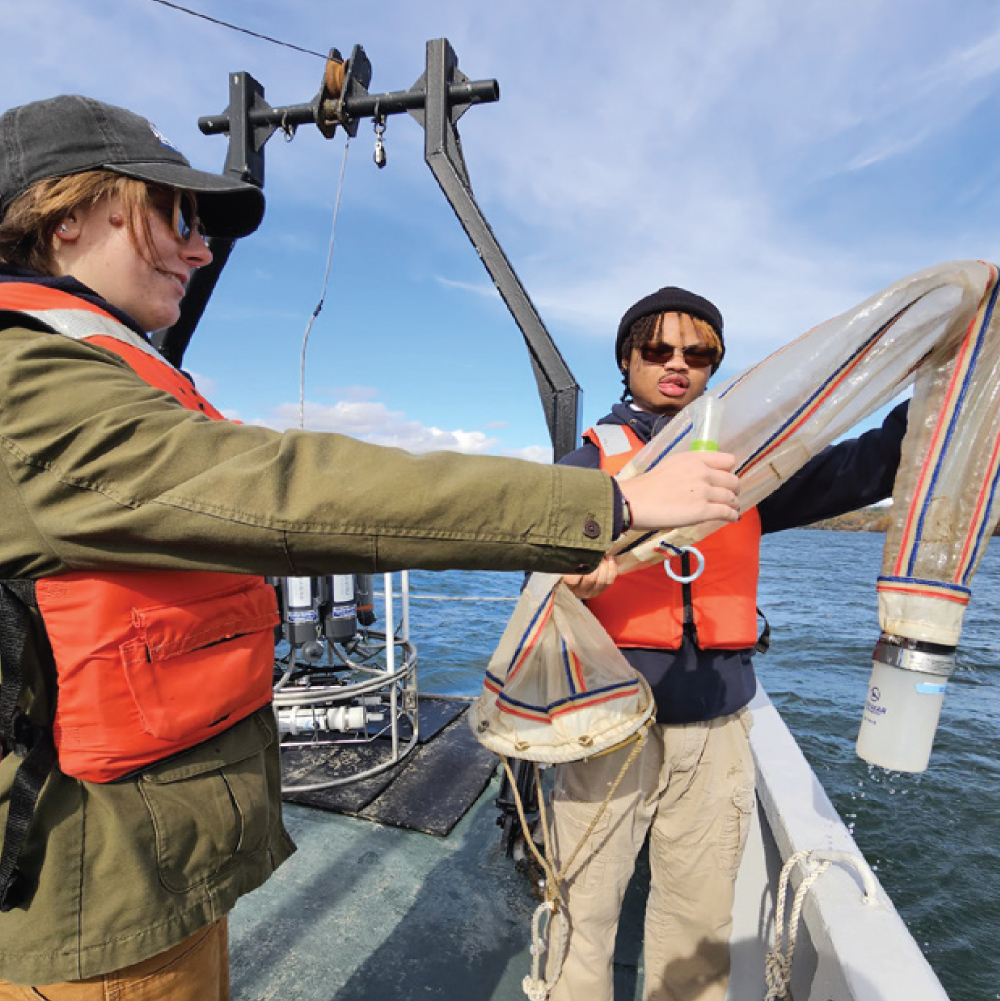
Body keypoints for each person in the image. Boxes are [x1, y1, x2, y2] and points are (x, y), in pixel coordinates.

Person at [0, 96, 740, 998]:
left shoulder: (97, 376)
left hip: (147, 869)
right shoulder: (29, 385)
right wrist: (611, 499)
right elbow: (284, 492)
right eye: (176, 213)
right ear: (64, 215)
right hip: (88, 892)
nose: (200, 248)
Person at [545, 286, 908, 1001]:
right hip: (604, 720)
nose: (677, 364)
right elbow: (525, 554)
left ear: (714, 367)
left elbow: (869, 464)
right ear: (627, 359)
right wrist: (566, 569)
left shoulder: (747, 470)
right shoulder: (585, 467)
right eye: (657, 348)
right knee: (580, 913)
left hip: (715, 721)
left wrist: (955, 366)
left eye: (699, 352)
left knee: (699, 923)